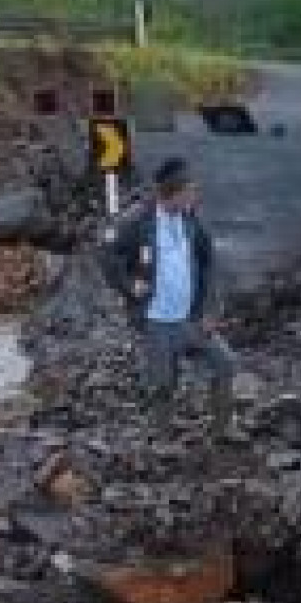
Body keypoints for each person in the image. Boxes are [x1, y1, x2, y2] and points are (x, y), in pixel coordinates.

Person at [104, 157, 237, 435]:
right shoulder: (137, 221)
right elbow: (107, 254)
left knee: (224, 363)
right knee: (164, 382)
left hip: (190, 319)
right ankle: (162, 435)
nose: (195, 196)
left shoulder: (191, 221)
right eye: (189, 191)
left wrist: (210, 310)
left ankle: (222, 429)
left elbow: (209, 262)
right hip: (156, 322)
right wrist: (129, 285)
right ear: (172, 193)